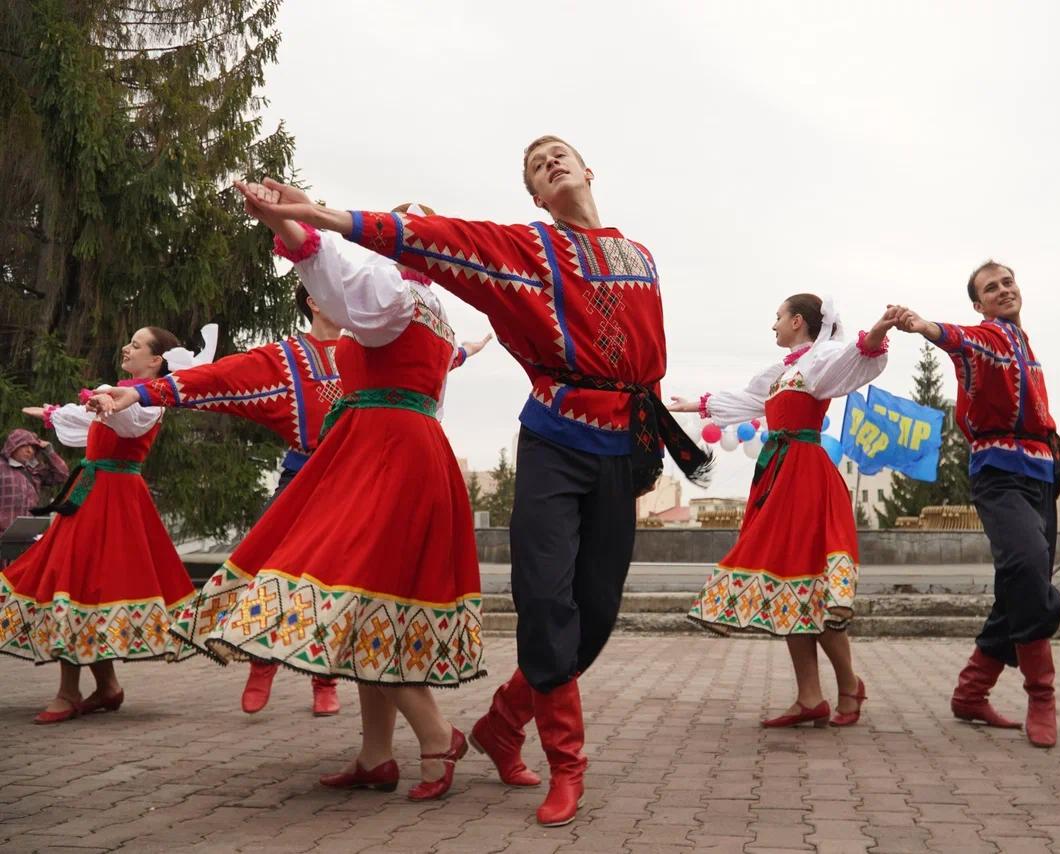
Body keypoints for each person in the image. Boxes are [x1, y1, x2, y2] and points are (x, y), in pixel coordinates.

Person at [236, 133, 711, 826]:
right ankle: (567, 764)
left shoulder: (640, 257)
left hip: (618, 444)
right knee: (546, 601)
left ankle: (501, 723)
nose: (551, 162)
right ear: (536, 197)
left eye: (560, 154)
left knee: (597, 616)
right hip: (553, 438)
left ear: (587, 171)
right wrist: (322, 216)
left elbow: (649, 360)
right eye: (536, 166)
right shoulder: (527, 250)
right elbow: (436, 239)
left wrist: (647, 449)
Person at [113, 198, 486, 801]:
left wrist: (292, 227)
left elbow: (339, 272)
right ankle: (375, 755)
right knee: (374, 603)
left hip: (383, 454)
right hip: (405, 449)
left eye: (391, 232)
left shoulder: (392, 295)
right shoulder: (429, 308)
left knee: (358, 599)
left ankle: (439, 735)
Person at [92, 278, 491, 719]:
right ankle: (261, 664)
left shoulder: (371, 346)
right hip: (305, 475)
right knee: (274, 566)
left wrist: (468, 350)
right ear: (316, 301)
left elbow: (428, 360)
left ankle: (326, 679)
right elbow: (220, 378)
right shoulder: (285, 358)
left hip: (361, 480)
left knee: (345, 582)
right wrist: (145, 391)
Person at [672, 295, 891, 728]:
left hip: (806, 476)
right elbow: (748, 399)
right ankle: (810, 697)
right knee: (790, 582)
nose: (772, 325)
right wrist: (697, 405)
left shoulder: (821, 360)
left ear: (796, 321)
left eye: (777, 317)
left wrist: (881, 328)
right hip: (778, 473)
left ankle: (848, 684)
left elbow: (857, 358)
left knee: (813, 583)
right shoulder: (783, 372)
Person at [889, 260, 1060, 748]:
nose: (1004, 290)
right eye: (992, 287)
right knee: (1029, 572)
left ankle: (971, 693)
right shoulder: (988, 337)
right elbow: (961, 340)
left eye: (1008, 282)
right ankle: (1042, 696)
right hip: (999, 475)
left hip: (1041, 474)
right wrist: (926, 327)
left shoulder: (1026, 344)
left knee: (1021, 587)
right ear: (978, 303)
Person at [0, 327, 197, 723]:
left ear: (156, 361)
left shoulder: (150, 401)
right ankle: (106, 686)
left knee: (75, 580)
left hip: (114, 498)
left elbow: (128, 421)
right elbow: (91, 422)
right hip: (92, 493)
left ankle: (68, 692)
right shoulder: (122, 394)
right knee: (79, 582)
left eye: (138, 345)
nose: (127, 346)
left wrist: (107, 399)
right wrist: (60, 413)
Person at [1, 429, 69, 537]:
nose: (30, 451)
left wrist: (49, 451)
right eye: (24, 445)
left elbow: (62, 475)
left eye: (33, 447)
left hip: (27, 535)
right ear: (13, 445)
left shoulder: (34, 471)